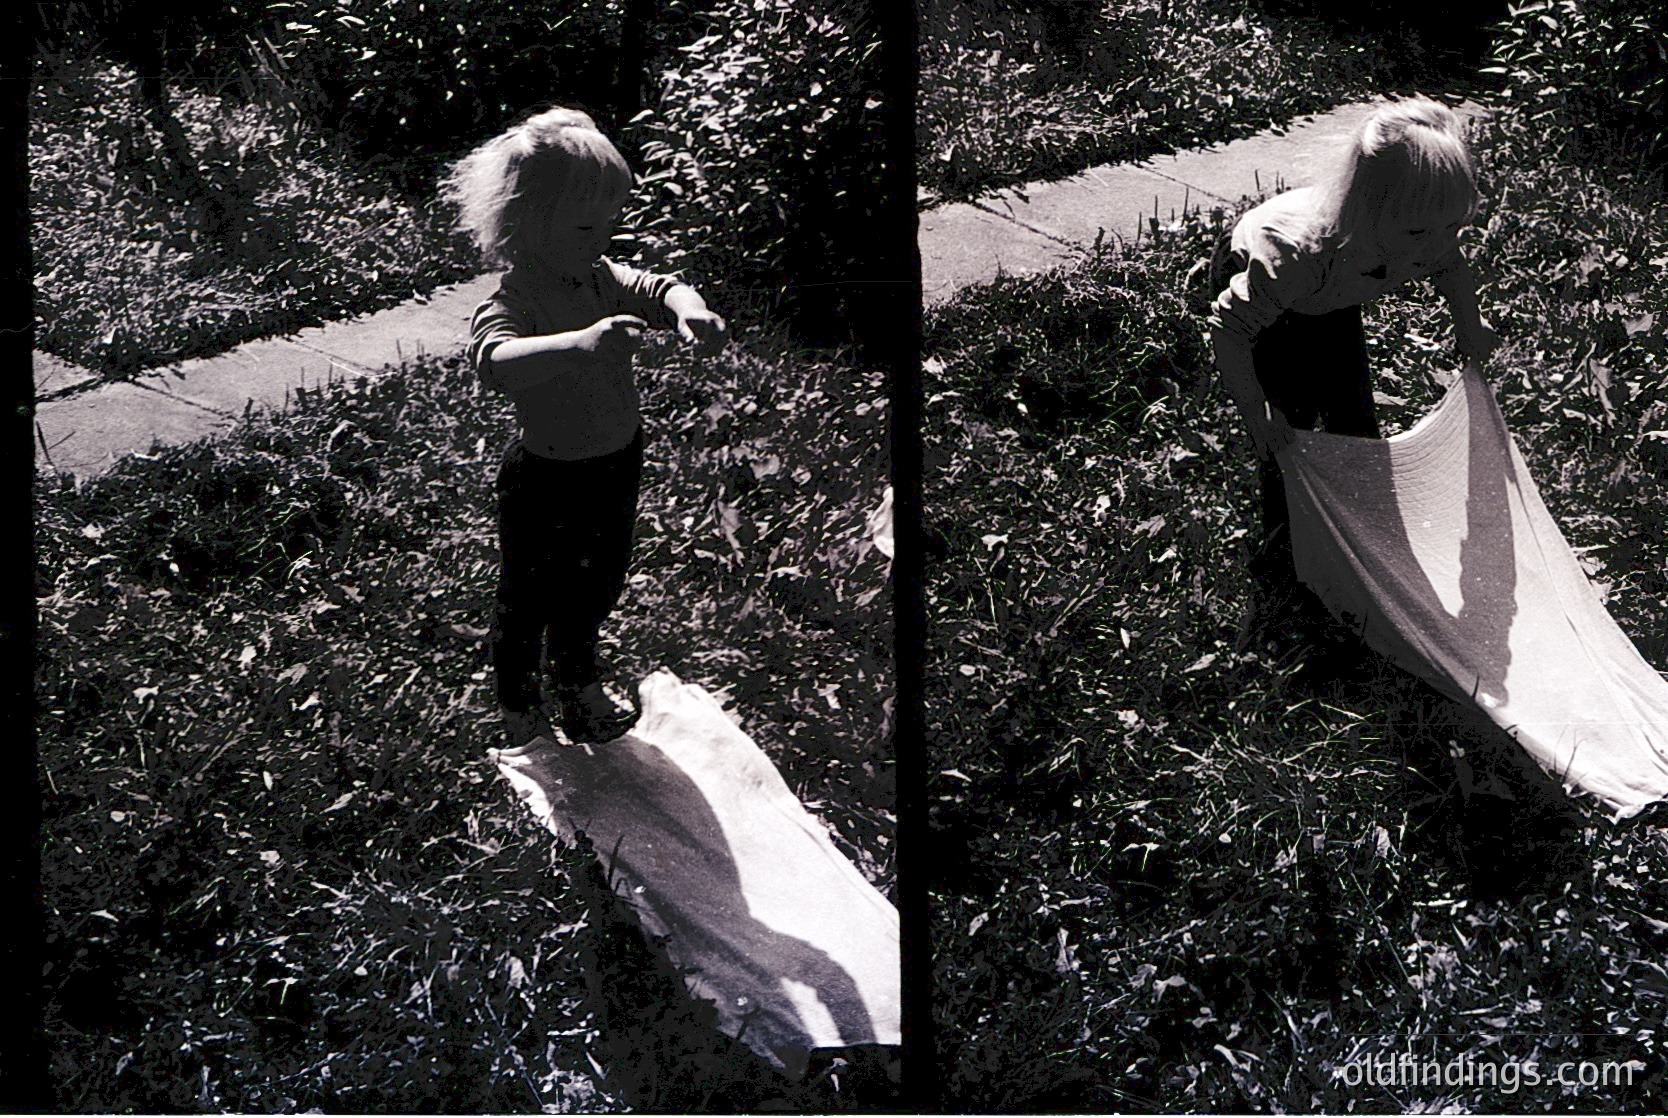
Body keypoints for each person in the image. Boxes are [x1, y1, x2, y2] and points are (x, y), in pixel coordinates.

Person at [443, 107, 728, 743]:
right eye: (582, 225)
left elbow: (660, 286)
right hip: (547, 475)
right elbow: (495, 362)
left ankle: (576, 681)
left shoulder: (601, 277)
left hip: (615, 461)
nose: (600, 238)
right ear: (525, 222)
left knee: (596, 582)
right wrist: (580, 344)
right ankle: (516, 699)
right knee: (529, 593)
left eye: (609, 223)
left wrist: (692, 311)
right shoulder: (514, 301)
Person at [1209, 96, 1499, 625]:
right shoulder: (1295, 258)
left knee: (1354, 415)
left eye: (1451, 227)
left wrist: (1469, 324)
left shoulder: (1423, 236)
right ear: (1365, 213)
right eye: (1419, 232)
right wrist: (1257, 411)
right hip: (1272, 302)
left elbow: (1452, 269)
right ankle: (1286, 548)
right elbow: (1230, 332)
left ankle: (1365, 521)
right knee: (1287, 429)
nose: (1436, 245)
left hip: (1332, 297)